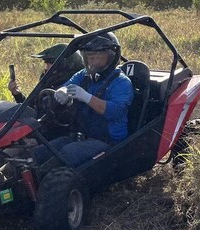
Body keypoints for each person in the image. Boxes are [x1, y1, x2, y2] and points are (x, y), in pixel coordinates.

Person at [33, 32, 133, 167]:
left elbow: (115, 112)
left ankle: (38, 180)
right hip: (79, 136)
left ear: (111, 57)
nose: (93, 62)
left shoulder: (121, 82)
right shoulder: (83, 74)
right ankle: (4, 176)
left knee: (65, 156)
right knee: (40, 153)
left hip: (107, 142)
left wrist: (86, 97)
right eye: (89, 57)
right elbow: (66, 86)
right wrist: (62, 92)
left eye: (98, 57)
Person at [9, 43, 84, 104]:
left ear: (63, 65)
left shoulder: (76, 88)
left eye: (49, 64)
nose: (46, 68)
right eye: (46, 64)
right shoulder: (47, 83)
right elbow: (30, 109)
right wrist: (17, 94)